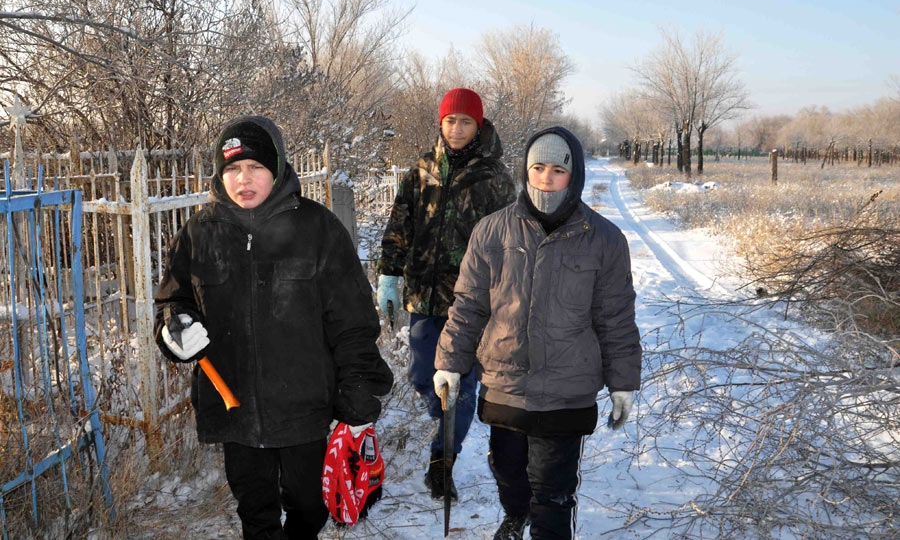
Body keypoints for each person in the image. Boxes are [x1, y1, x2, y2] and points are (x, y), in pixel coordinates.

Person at [154, 116, 393, 540]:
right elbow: (173, 302)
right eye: (231, 169)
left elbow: (354, 321)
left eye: (255, 168)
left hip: (304, 407)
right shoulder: (197, 234)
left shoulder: (317, 229)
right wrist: (176, 330)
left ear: (278, 168)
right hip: (234, 408)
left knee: (308, 504)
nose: (243, 179)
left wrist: (358, 392)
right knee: (255, 511)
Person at [433, 127, 642, 540]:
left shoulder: (604, 240)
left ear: (575, 174)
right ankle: (515, 514)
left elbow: (615, 317)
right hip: (505, 383)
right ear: (525, 172)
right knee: (510, 472)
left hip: (567, 389)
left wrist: (623, 383)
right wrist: (449, 363)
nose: (546, 178)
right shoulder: (492, 231)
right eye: (538, 167)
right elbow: (469, 305)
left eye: (558, 169)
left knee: (553, 490)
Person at [375, 88, 516, 500]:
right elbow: (399, 225)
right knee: (423, 376)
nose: (456, 129)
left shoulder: (495, 179)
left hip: (473, 303)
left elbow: (509, 243)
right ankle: (446, 421)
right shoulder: (420, 170)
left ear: (478, 126)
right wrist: (389, 275)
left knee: (462, 385)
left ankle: (443, 460)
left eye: (465, 121)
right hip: (423, 295)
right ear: (441, 123)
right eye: (450, 120)